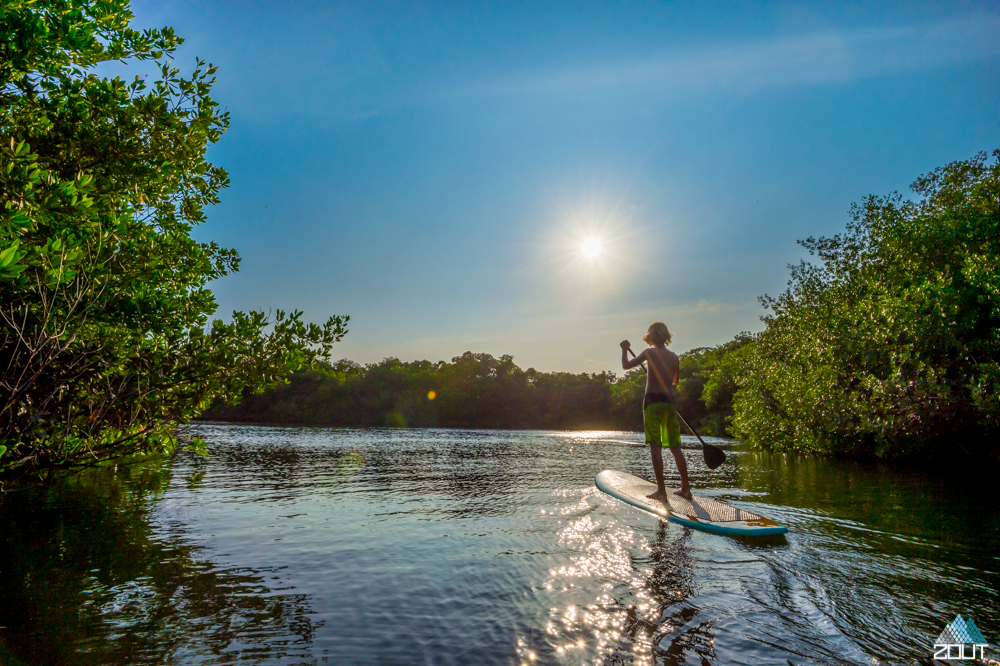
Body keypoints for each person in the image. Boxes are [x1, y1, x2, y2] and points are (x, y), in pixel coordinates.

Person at [620, 322, 692, 502]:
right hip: (669, 403)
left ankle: (661, 491)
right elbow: (675, 382)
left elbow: (626, 365)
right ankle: (686, 490)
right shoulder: (674, 357)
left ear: (650, 336)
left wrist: (624, 349)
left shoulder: (648, 353)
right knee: (675, 447)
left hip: (652, 402)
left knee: (655, 446)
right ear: (666, 337)